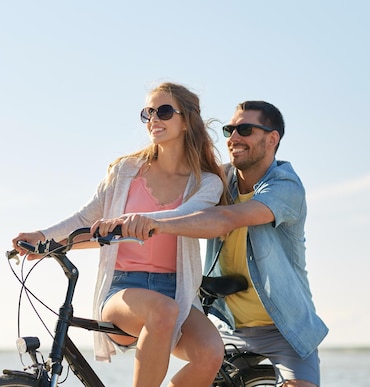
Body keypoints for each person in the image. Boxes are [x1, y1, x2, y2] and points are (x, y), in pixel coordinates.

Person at [93, 101, 328, 387]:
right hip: (225, 324)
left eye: (245, 129)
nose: (233, 138)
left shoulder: (284, 186)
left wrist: (155, 224)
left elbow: (226, 218)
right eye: (230, 130)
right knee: (202, 359)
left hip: (285, 329)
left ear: (272, 138)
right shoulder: (217, 180)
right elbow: (172, 180)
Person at [12, 82, 229, 387]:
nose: (154, 118)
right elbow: (86, 218)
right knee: (162, 311)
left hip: (178, 290)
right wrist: (44, 235)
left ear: (187, 121)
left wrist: (135, 219)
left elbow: (187, 217)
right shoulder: (126, 171)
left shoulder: (206, 183)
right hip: (124, 290)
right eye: (148, 112)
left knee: (210, 353)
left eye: (164, 111)